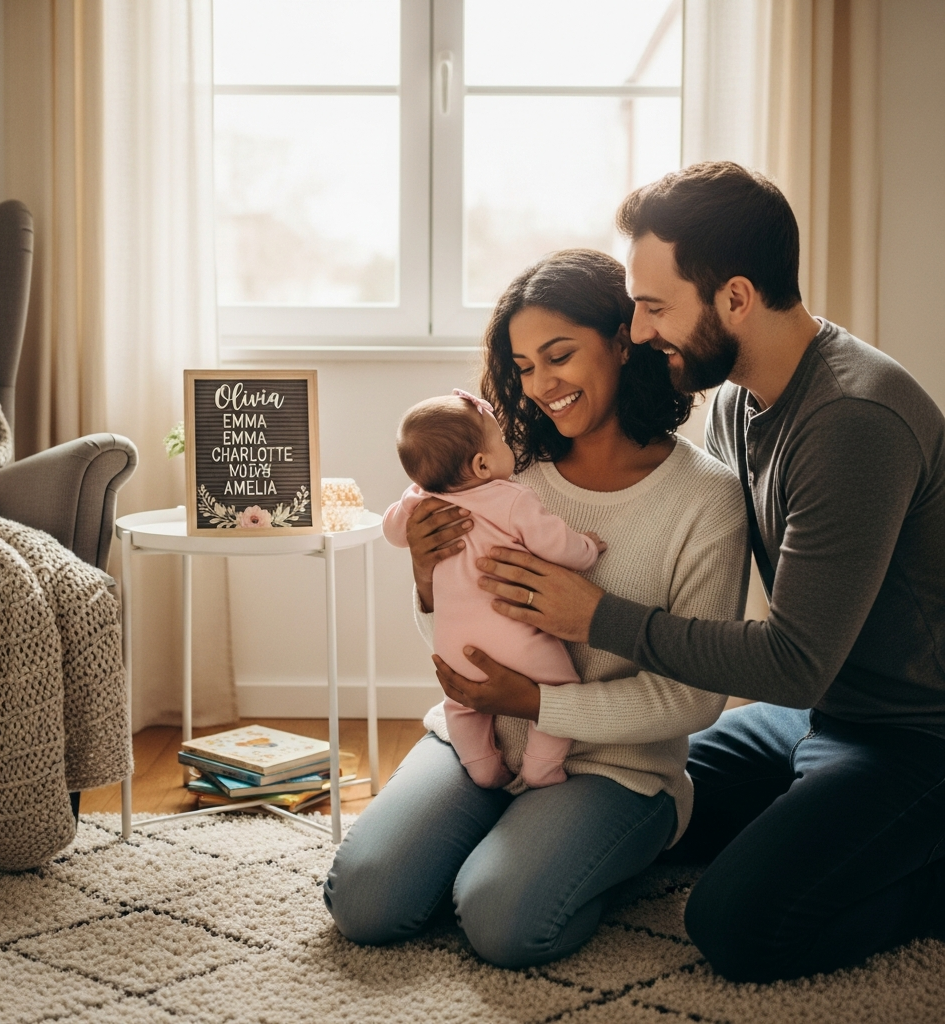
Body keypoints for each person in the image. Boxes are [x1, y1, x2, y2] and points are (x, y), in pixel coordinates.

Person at [471, 163, 945, 983]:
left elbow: (794, 665)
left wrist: (596, 617)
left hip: (916, 735)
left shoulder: (852, 421)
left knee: (739, 926)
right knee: (654, 814)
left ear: (734, 298)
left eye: (655, 308)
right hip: (828, 717)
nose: (642, 330)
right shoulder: (736, 400)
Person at [324, 249, 749, 969]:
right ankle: (517, 835)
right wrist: (426, 578)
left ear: (622, 341)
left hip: (613, 766)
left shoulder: (705, 500)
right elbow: (457, 629)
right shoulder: (498, 471)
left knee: (501, 921)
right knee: (366, 901)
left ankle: (595, 850)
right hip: (479, 737)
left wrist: (539, 701)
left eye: (559, 356)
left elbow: (696, 694)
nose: (541, 385)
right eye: (523, 367)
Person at [383, 388, 604, 790]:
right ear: (482, 464)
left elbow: (393, 531)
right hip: (514, 636)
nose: (509, 447)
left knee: (462, 705)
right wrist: (588, 548)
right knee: (561, 692)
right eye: (501, 440)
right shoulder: (512, 498)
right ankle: (541, 766)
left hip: (453, 644)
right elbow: (556, 544)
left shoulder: (421, 502)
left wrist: (410, 499)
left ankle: (482, 767)